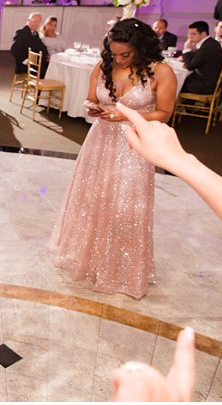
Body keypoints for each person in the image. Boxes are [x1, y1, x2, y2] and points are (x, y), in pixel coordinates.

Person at [48, 18, 177, 298]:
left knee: (126, 205)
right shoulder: (103, 65)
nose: (118, 60)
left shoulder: (161, 72)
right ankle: (90, 259)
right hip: (100, 139)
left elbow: (164, 113)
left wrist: (127, 115)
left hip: (134, 144)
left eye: (125, 55)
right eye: (114, 53)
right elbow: (89, 98)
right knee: (92, 199)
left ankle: (122, 267)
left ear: (141, 49)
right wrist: (92, 107)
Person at [178, 21, 222, 97]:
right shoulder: (211, 43)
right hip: (210, 82)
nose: (190, 37)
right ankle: (187, 108)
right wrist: (186, 58)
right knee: (182, 80)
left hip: (205, 86)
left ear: (203, 34)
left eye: (193, 34)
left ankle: (176, 107)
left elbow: (190, 66)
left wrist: (186, 50)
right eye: (189, 34)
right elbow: (199, 57)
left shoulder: (207, 47)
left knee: (175, 83)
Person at [9, 12, 49, 76]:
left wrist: (46, 54)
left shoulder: (35, 33)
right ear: (28, 21)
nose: (37, 24)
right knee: (47, 71)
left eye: (39, 22)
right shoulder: (21, 33)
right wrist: (25, 61)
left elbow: (42, 46)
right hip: (25, 65)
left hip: (36, 62)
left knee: (51, 66)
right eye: (35, 21)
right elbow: (14, 50)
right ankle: (42, 85)